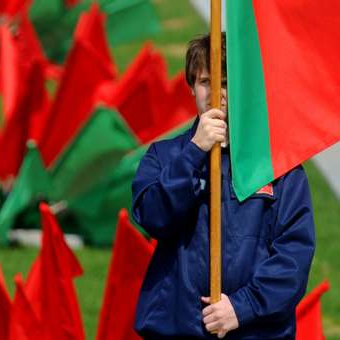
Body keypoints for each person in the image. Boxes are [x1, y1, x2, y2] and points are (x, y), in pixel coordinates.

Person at [131, 33, 315, 339]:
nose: (217, 93)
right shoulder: (164, 157)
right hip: (178, 326)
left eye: (227, 82)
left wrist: (242, 308)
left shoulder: (279, 167)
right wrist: (194, 153)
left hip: (256, 330)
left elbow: (294, 256)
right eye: (206, 82)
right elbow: (153, 218)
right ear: (191, 87)